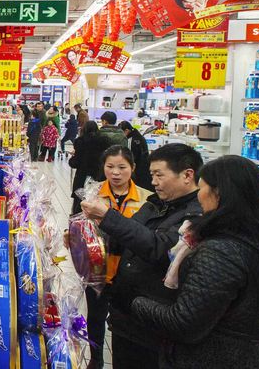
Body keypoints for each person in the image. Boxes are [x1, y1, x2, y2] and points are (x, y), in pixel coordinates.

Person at [130, 155, 259, 368]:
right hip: (253, 355)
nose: (199, 195)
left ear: (219, 193)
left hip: (211, 357)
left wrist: (136, 302)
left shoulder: (221, 251)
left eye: (202, 187)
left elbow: (184, 324)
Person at [80, 143, 203, 369]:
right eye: (151, 175)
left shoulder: (194, 216)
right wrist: (84, 237)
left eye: (159, 175)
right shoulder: (156, 204)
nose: (154, 181)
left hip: (153, 326)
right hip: (126, 318)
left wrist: (108, 216)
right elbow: (126, 237)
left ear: (187, 175)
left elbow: (160, 248)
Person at [82, 146, 154, 369]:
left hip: (130, 274)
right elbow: (79, 226)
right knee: (95, 318)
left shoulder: (147, 199)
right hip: (97, 271)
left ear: (132, 168)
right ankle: (95, 359)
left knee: (125, 321)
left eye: (122, 167)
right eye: (110, 166)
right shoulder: (91, 195)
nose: (115, 173)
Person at [69, 121, 111, 214]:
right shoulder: (104, 141)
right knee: (96, 202)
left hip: (82, 176)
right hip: (99, 176)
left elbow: (75, 162)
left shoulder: (80, 141)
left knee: (79, 203)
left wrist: (72, 159)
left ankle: (77, 225)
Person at [119, 121, 152, 190]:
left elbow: (130, 156)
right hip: (144, 167)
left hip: (138, 169)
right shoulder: (139, 136)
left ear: (127, 130)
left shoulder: (131, 140)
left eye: (122, 132)